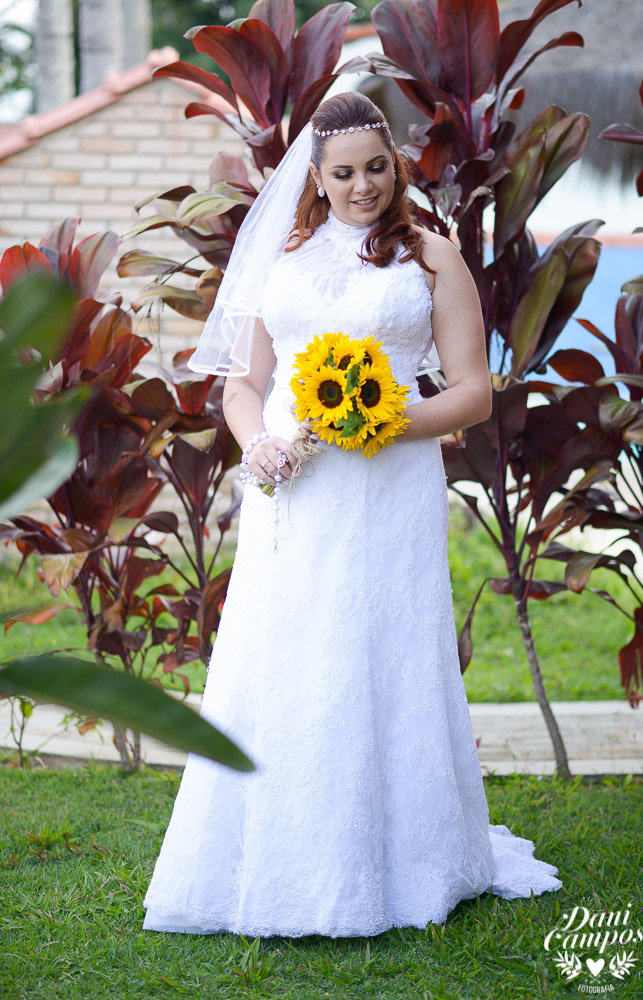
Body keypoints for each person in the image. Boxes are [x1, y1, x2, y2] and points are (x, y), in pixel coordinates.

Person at [142, 91, 562, 938]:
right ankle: (271, 855)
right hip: (292, 494)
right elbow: (243, 386)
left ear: (395, 166)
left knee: (382, 649)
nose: (363, 185)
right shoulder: (284, 260)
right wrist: (256, 442)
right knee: (287, 655)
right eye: (343, 172)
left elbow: (475, 395)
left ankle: (403, 859)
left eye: (377, 167)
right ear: (315, 176)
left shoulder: (434, 260)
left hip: (388, 487)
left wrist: (379, 423)